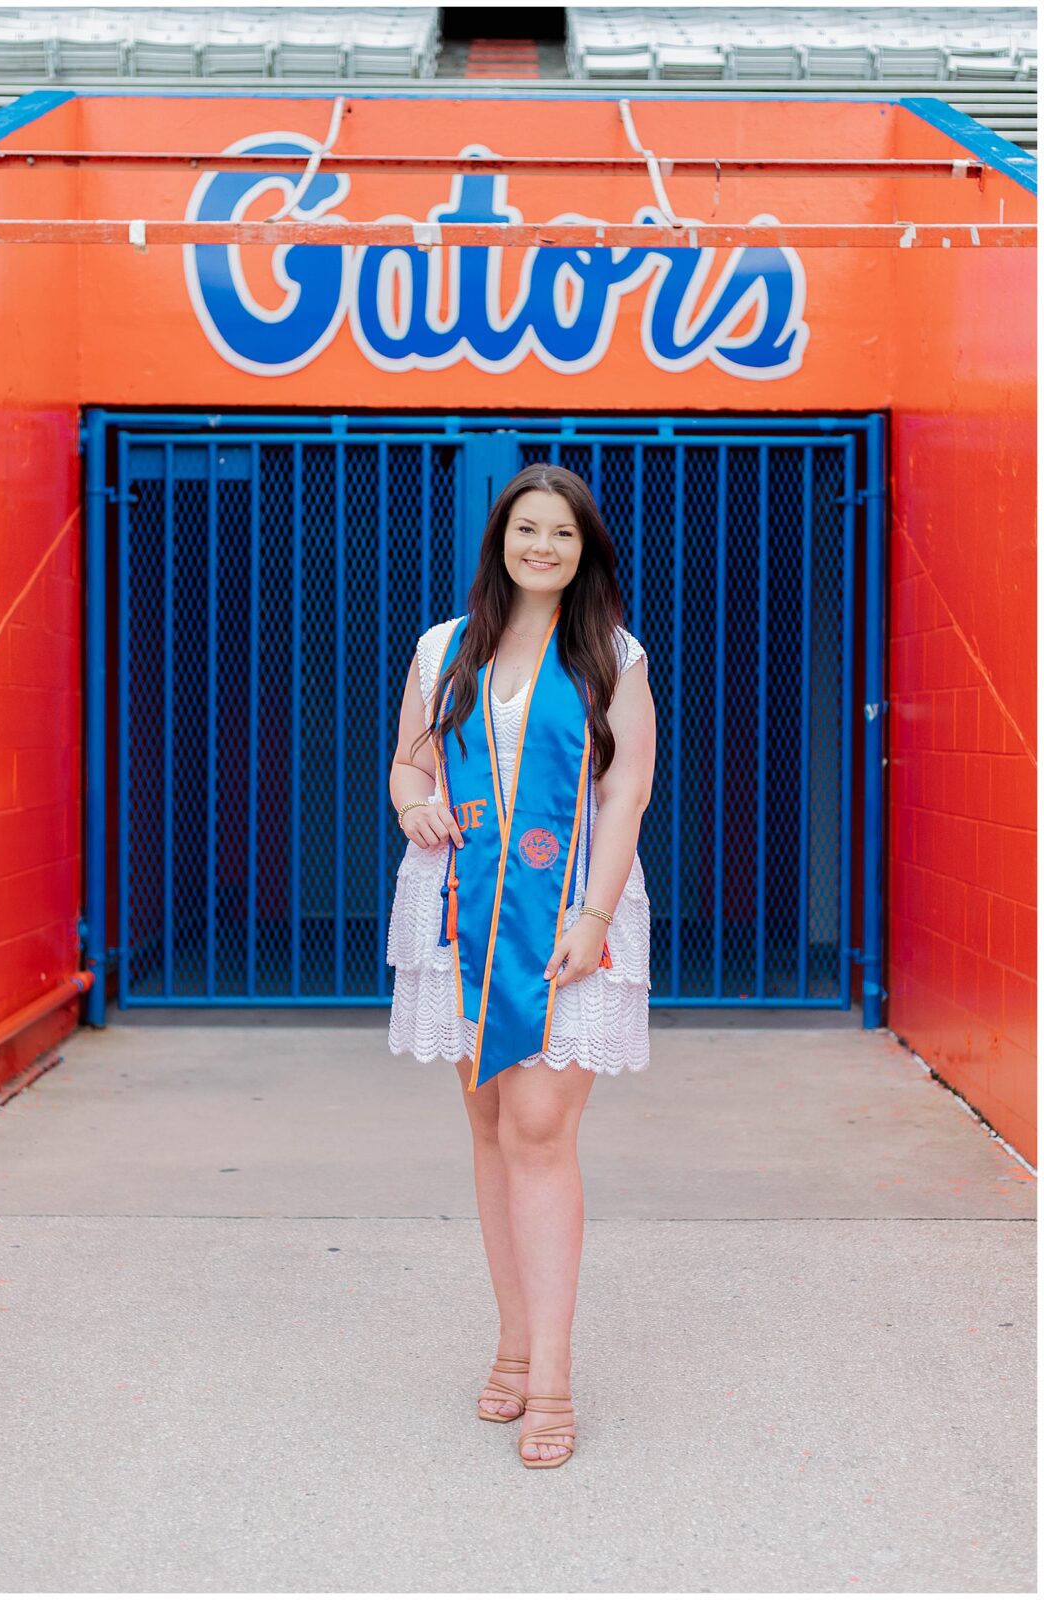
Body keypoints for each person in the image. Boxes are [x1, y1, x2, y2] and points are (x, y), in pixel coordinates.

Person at [386, 462, 656, 1468]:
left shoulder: (610, 656)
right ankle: (507, 1343)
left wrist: (592, 913)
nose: (542, 547)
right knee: (493, 1127)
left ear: (586, 551)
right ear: (500, 538)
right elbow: (410, 759)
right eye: (526, 529)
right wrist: (411, 798)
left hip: (567, 912)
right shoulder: (442, 649)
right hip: (462, 914)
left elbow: (624, 796)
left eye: (563, 534)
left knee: (541, 1129)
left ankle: (549, 1376)